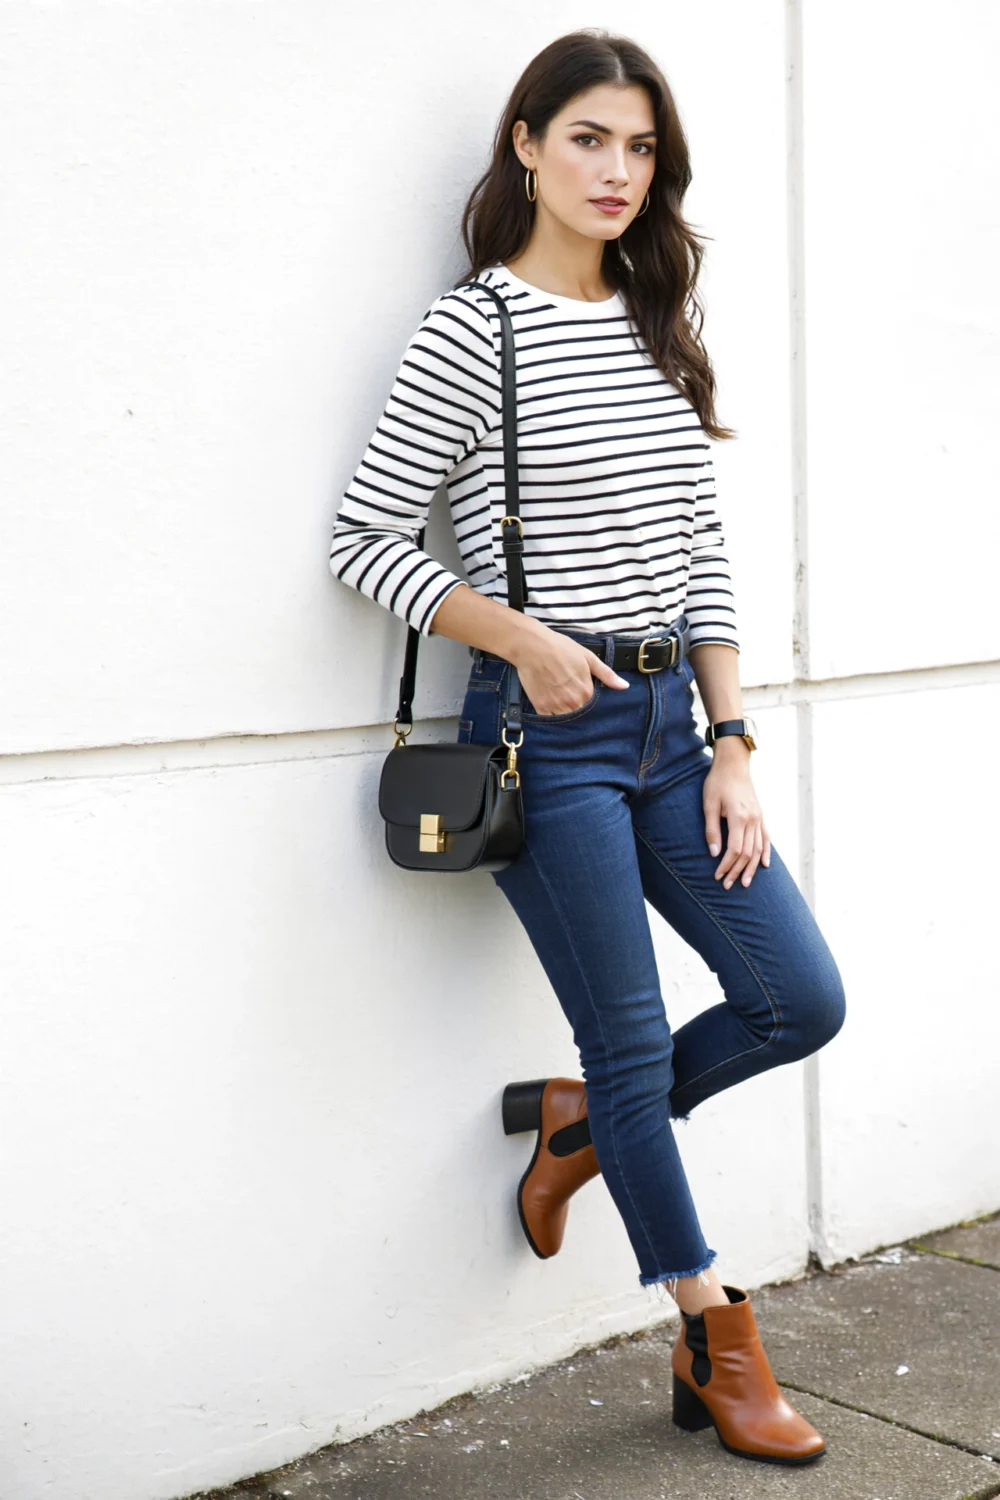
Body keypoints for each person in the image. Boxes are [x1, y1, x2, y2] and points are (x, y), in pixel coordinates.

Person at [329, 27, 846, 1468]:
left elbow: (701, 556)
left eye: (639, 149)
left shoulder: (658, 318)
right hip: (540, 741)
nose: (617, 171)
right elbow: (361, 542)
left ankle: (581, 1134)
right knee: (626, 1038)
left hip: (675, 734)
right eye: (588, 141)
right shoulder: (473, 331)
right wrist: (517, 639)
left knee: (800, 997)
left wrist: (734, 738)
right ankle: (711, 1325)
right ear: (527, 148)